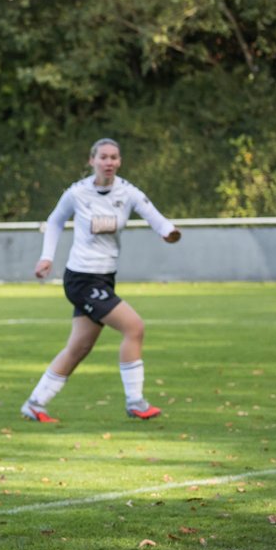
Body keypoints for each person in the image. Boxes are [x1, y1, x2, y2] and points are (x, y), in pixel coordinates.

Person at [20, 138, 181, 423]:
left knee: (79, 347)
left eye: (114, 157)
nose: (109, 162)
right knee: (134, 327)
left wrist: (169, 231)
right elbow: (55, 220)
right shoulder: (77, 193)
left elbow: (155, 217)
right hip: (81, 279)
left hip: (105, 278)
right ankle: (135, 401)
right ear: (91, 160)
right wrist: (47, 257)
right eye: (103, 157)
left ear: (119, 161)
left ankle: (35, 403)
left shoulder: (127, 192)